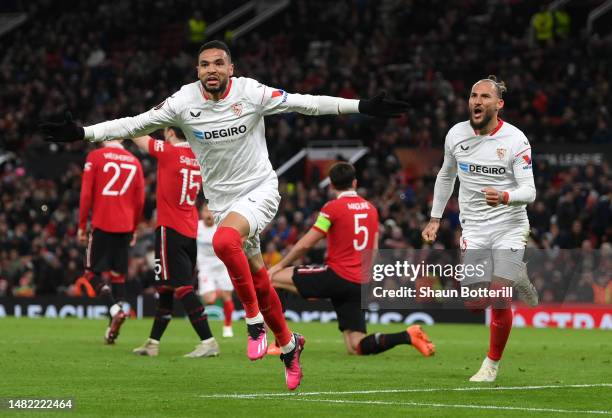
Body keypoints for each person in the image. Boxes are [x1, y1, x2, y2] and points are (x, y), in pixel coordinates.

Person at [40, 40, 408, 390]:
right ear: (197, 70)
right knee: (260, 277)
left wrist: (361, 106)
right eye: (204, 64)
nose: (211, 69)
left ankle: (253, 322)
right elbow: (136, 124)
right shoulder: (184, 101)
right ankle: (289, 343)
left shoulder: (251, 92)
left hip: (260, 190)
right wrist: (83, 133)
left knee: (223, 240)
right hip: (222, 202)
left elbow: (305, 103)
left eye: (218, 63)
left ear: (231, 68)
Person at [421, 75, 538, 382]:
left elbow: (530, 191)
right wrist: (435, 218)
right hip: (474, 227)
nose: (477, 101)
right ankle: (517, 276)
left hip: (510, 226)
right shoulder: (456, 134)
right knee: (473, 304)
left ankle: (491, 365)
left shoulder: (516, 140)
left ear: (499, 104)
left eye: (485, 97)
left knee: (500, 297)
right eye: (473, 95)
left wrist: (505, 196)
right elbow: (446, 177)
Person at [269, 162, 435, 357]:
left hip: (336, 276)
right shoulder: (371, 210)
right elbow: (373, 248)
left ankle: (280, 343)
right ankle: (407, 335)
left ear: (331, 185)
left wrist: (279, 264)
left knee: (271, 278)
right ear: (354, 183)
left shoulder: (332, 208)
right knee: (356, 347)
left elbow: (307, 243)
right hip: (359, 282)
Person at [129, 127, 220, 358]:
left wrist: (128, 125)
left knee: (181, 288)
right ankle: (153, 343)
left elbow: (138, 136)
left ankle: (208, 341)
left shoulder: (168, 151)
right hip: (190, 231)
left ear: (170, 132)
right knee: (167, 288)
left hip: (170, 229)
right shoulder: (197, 156)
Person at [78, 140, 144, 344]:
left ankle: (115, 309)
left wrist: (81, 225)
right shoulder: (135, 162)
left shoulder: (95, 156)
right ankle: (111, 331)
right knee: (118, 277)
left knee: (90, 274)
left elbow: (86, 193)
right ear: (123, 139)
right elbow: (140, 200)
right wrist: (134, 228)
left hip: (102, 224)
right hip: (125, 227)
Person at [196, 204, 235, 338]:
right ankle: (218, 291)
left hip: (222, 266)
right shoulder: (196, 227)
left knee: (227, 297)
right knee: (209, 299)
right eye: (205, 210)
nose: (208, 214)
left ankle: (228, 326)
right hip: (205, 268)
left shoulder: (220, 226)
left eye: (211, 211)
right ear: (201, 213)